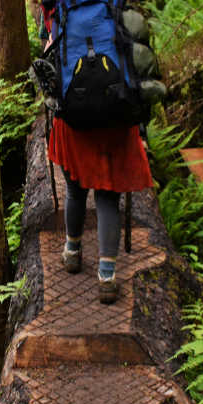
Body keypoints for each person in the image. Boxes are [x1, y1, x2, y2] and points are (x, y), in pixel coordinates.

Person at [47, 115, 153, 304]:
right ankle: (106, 278)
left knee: (75, 191)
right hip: (115, 129)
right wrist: (141, 130)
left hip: (72, 125)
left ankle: (72, 253)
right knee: (108, 199)